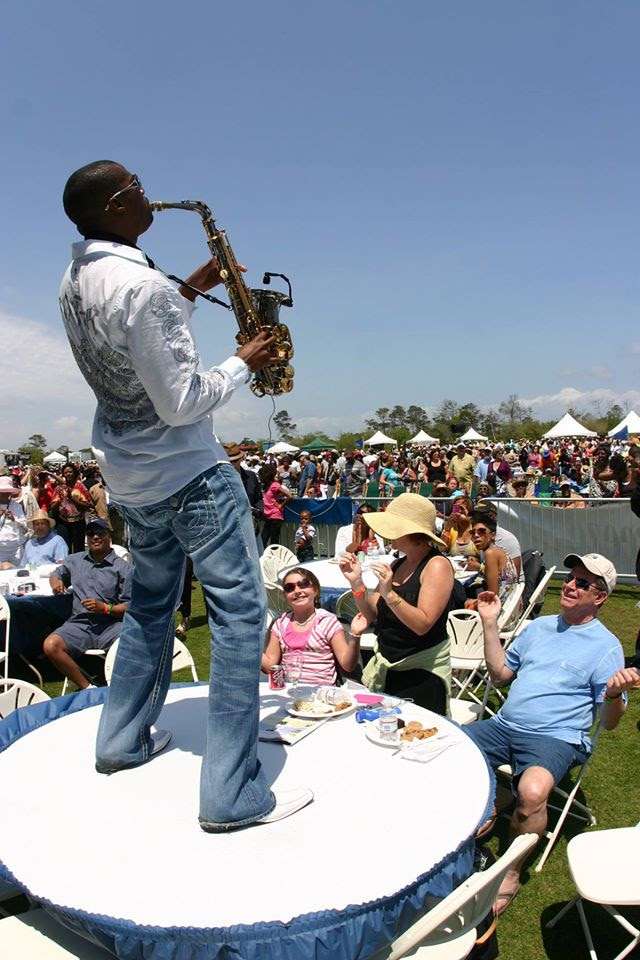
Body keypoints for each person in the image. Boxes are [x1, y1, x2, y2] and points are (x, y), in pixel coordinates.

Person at [59, 159, 311, 830]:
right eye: (136, 189)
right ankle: (231, 792)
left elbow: (131, 353)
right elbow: (180, 402)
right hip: (189, 472)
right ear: (115, 206)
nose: (149, 195)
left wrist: (190, 292)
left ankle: (120, 741)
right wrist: (244, 361)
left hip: (129, 476)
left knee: (148, 608)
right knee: (238, 617)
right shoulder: (141, 287)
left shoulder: (74, 280)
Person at [467, 554, 639, 915]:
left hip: (555, 738)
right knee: (449, 749)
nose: (572, 586)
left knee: (532, 792)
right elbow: (500, 674)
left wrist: (612, 695)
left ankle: (510, 870)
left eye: (583, 583)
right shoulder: (538, 627)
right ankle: (494, 800)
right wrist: (489, 623)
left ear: (601, 597)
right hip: (503, 726)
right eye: (571, 578)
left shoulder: (606, 647)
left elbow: (609, 723)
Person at [339, 493, 455, 715]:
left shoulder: (437, 565)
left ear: (410, 532)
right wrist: (356, 582)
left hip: (421, 674)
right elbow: (371, 613)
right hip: (389, 667)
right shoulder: (398, 563)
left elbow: (423, 624)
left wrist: (389, 593)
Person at [42, 518, 132, 690]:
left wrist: (105, 608)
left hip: (111, 625)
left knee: (132, 641)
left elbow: (131, 606)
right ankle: (88, 688)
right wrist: (55, 581)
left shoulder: (123, 568)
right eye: (91, 534)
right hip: (80, 624)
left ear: (109, 537)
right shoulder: (75, 560)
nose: (95, 537)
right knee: (51, 645)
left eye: (100, 533)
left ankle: (122, 688)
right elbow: (57, 573)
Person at [261, 568, 359, 686]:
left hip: (321, 692)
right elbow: (269, 666)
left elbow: (347, 665)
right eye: (289, 588)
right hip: (290, 691)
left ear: (316, 590)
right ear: (285, 596)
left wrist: (355, 635)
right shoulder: (280, 624)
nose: (297, 591)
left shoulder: (326, 621)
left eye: (303, 585)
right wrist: (248, 639)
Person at [465, 512, 519, 608]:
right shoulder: (498, 550)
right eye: (473, 532)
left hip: (501, 609)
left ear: (493, 535)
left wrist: (473, 603)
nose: (476, 535)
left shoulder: (491, 554)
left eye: (482, 531)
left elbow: (492, 596)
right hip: (511, 606)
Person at [49, 463, 93, 552]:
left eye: (70, 472)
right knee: (64, 548)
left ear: (74, 473)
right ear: (63, 474)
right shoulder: (59, 488)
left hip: (78, 522)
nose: (68, 474)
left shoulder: (80, 487)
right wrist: (59, 500)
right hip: (63, 523)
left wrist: (73, 499)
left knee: (79, 549)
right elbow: (52, 507)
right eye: (65, 472)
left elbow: (89, 505)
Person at [260, 463, 294, 547]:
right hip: (268, 516)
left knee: (274, 540)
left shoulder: (275, 485)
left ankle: (274, 558)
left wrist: (281, 505)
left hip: (275, 515)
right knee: (263, 539)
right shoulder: (266, 486)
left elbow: (290, 496)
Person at [0, 475, 29, 568]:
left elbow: (25, 526)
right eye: (2, 492)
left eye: (7, 491)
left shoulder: (17, 506)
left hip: (16, 548)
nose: (4, 494)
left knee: (18, 572)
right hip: (1, 549)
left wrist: (14, 519)